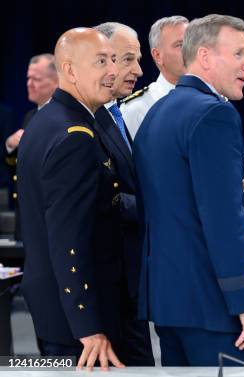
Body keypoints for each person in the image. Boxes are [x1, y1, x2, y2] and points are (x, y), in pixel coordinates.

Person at [133, 14, 244, 366]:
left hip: (168, 303)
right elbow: (224, 221)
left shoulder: (157, 112)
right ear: (205, 57)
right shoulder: (214, 116)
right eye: (239, 53)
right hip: (213, 307)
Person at [17, 27, 124, 371]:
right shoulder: (74, 136)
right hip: (77, 322)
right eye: (100, 62)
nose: (112, 71)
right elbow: (68, 239)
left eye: (112, 60)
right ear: (71, 71)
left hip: (55, 306)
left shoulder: (46, 120)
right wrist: (88, 326)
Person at [92, 22, 154, 366]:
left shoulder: (115, 112)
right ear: (103, 60)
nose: (139, 70)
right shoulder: (84, 120)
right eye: (129, 59)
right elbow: (102, 199)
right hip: (107, 288)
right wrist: (160, 207)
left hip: (129, 281)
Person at [6, 54, 58, 240]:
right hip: (27, 221)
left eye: (35, 79)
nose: (29, 83)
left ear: (56, 81)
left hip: (47, 224)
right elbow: (18, 169)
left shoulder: (61, 117)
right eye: (28, 78)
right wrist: (10, 147)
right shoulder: (30, 116)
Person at [121, 15, 188, 137]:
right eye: (180, 45)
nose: (190, 50)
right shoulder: (136, 110)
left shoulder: (214, 97)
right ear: (158, 55)